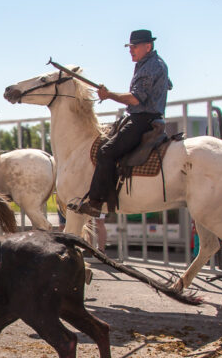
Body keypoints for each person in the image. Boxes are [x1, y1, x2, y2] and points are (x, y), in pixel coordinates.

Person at [68, 29, 172, 218]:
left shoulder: (150, 67)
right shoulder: (153, 64)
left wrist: (109, 95)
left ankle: (97, 203)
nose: (131, 50)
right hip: (145, 117)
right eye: (129, 46)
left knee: (106, 151)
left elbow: (135, 99)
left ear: (148, 47)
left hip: (143, 120)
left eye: (135, 46)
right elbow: (167, 84)